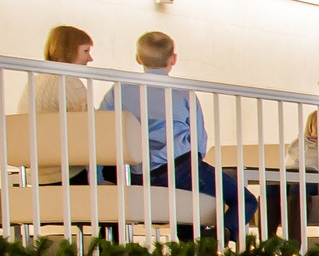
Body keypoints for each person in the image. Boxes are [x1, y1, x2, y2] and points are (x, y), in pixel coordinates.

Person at [100, 32, 257, 240]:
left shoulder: (119, 89)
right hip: (180, 169)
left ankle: (110, 252)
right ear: (173, 58)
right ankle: (220, 236)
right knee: (245, 199)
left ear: (138, 58)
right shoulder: (183, 92)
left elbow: (103, 130)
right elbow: (199, 141)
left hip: (132, 175)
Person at [30, 24, 96, 112]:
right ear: (69, 51)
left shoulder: (35, 80)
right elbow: (90, 120)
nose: (90, 58)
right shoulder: (68, 82)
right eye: (86, 51)